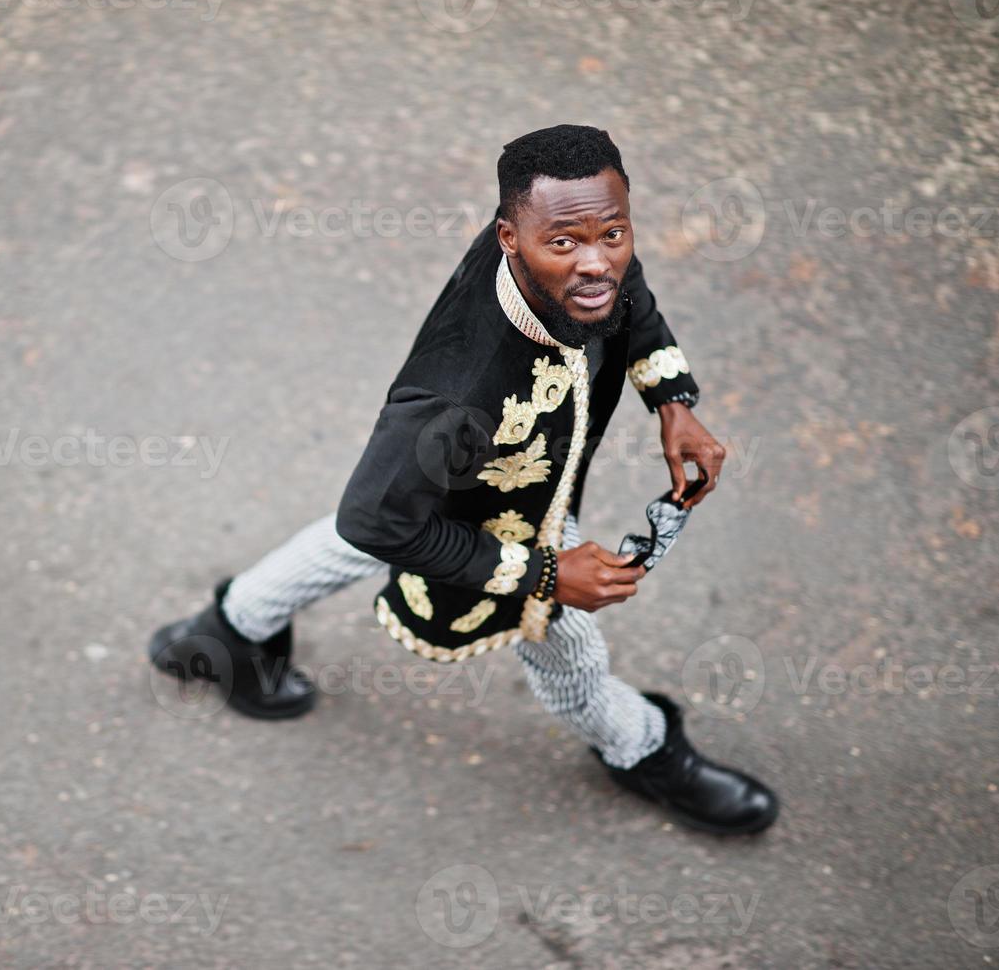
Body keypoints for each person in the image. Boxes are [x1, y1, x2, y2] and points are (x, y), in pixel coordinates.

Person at [149, 125, 778, 835]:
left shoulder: (573, 239)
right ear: (509, 237)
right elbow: (374, 524)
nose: (598, 263)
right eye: (566, 244)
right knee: (564, 642)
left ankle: (222, 632)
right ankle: (640, 747)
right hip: (511, 519)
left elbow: (629, 298)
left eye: (615, 232)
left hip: (481, 477)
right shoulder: (453, 398)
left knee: (387, 512)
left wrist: (672, 401)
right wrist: (546, 573)